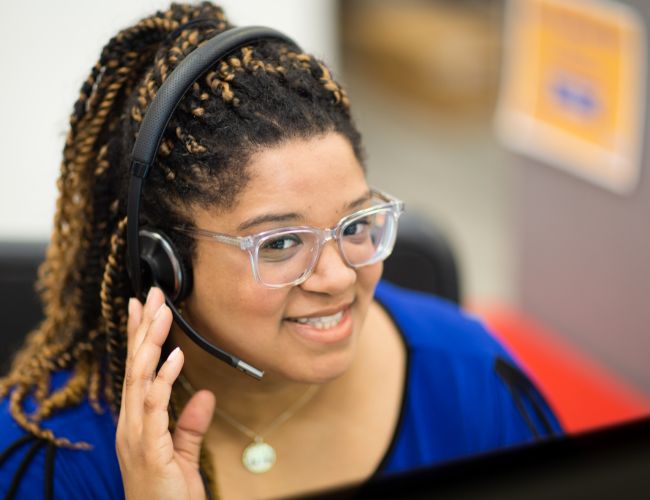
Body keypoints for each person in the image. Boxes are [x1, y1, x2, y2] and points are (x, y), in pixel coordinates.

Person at [0, 3, 561, 499]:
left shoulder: (474, 381)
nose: (339, 277)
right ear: (164, 265)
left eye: (354, 223)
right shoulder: (52, 455)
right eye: (281, 243)